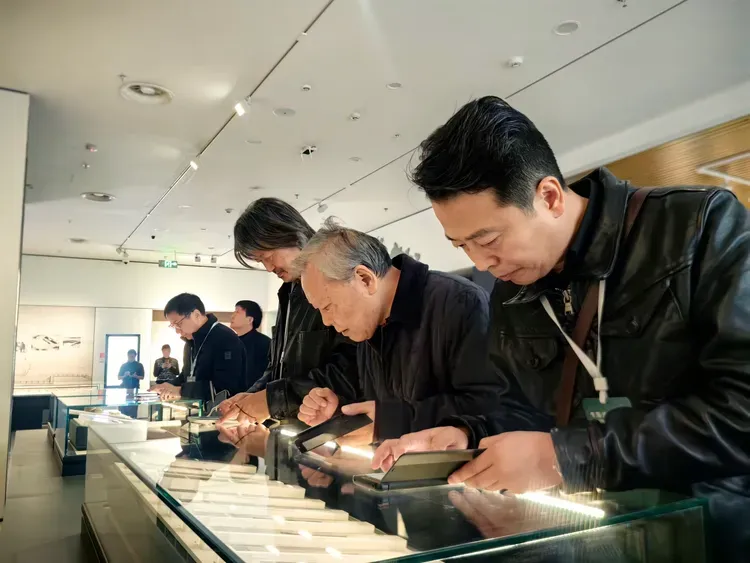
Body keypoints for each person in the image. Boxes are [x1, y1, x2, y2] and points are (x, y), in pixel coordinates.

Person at [370, 96, 750, 560]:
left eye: (489, 239)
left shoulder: (697, 227)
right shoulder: (512, 290)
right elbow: (520, 410)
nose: (481, 263)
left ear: (549, 196)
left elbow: (741, 410)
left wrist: (565, 456)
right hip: (595, 536)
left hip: (714, 535)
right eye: (461, 246)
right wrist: (465, 433)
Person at [293, 220, 540, 443]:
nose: (326, 321)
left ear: (365, 279)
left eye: (328, 306)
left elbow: (492, 406)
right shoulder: (370, 325)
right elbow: (380, 406)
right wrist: (340, 412)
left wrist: (393, 420)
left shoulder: (460, 302)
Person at [217, 198, 358, 423]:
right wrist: (253, 396)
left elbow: (351, 368)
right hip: (296, 425)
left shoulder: (339, 275)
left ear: (290, 235)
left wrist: (271, 400)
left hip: (334, 426)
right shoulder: (288, 291)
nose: (269, 268)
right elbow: (279, 367)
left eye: (268, 257)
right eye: (261, 261)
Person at [153, 293, 247, 403]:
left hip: (224, 409)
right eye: (173, 326)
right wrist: (169, 386)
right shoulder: (190, 342)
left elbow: (225, 387)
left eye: (178, 324)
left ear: (196, 315)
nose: (177, 331)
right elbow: (187, 376)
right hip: (197, 409)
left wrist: (181, 391)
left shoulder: (225, 338)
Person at [230, 300, 271, 389]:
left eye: (237, 312)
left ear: (249, 320)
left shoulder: (265, 343)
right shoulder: (230, 342)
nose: (232, 316)